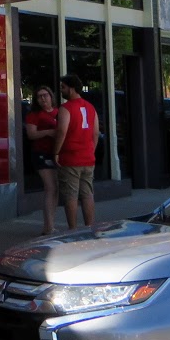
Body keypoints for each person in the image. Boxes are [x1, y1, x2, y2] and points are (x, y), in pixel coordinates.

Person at [52, 73, 99, 229]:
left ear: (71, 89)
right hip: (88, 157)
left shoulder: (66, 108)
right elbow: (95, 133)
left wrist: (56, 152)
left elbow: (62, 131)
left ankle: (72, 229)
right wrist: (91, 150)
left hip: (71, 158)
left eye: (63, 87)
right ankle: (89, 227)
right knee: (87, 194)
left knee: (71, 195)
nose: (61, 90)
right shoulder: (91, 107)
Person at [23, 86, 61, 234]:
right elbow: (31, 134)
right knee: (50, 187)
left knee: (55, 188)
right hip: (41, 154)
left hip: (56, 153)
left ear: (51, 96)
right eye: (39, 96)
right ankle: (49, 226)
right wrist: (48, 132)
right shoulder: (34, 115)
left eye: (45, 95)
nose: (43, 99)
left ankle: (50, 224)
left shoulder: (59, 112)